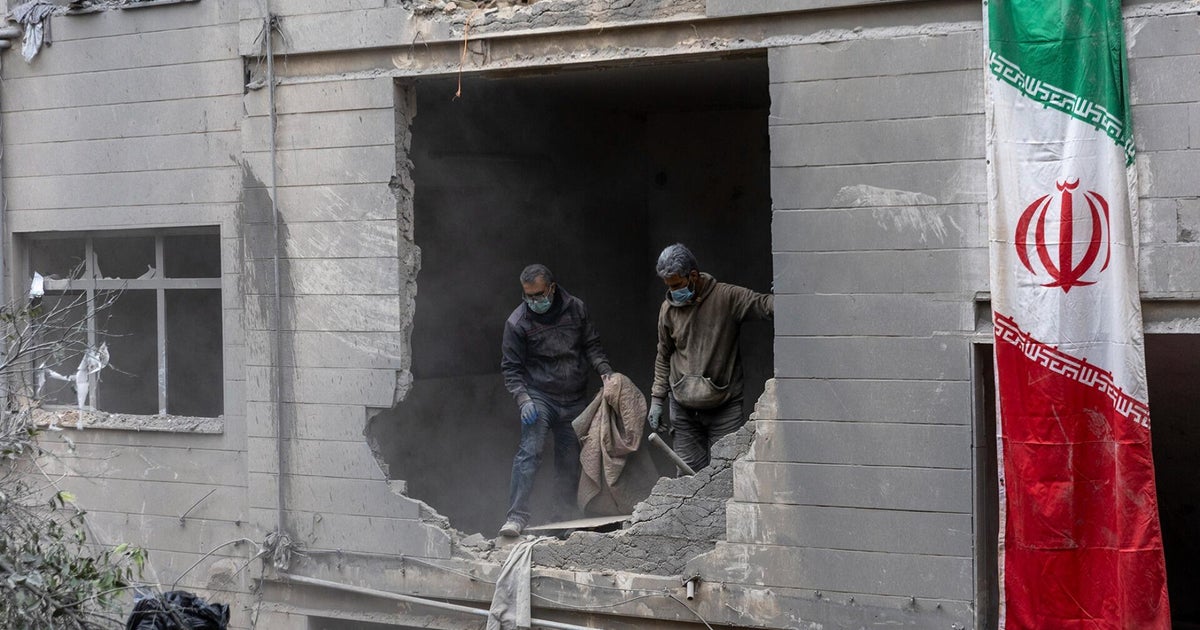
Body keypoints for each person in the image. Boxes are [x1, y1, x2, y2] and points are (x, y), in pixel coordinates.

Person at [499, 264, 613, 537]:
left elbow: (591, 345)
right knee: (530, 451)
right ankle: (516, 517)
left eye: (538, 295)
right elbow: (511, 368)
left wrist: (605, 372)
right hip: (540, 397)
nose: (533, 301)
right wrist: (524, 399)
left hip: (574, 397)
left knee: (569, 460)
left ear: (551, 288)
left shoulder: (576, 309)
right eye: (527, 296)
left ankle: (562, 520)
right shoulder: (517, 322)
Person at [647, 243, 773, 472]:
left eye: (676, 285)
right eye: (668, 286)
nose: (673, 292)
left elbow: (763, 305)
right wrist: (657, 399)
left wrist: (787, 294)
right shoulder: (668, 310)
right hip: (684, 411)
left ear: (693, 276)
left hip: (724, 407)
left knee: (725, 475)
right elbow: (663, 355)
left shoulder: (726, 298)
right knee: (688, 479)